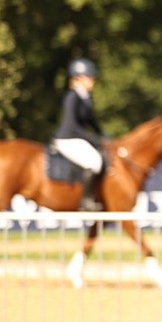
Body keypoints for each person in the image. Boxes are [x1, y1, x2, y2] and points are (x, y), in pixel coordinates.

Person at [52, 58, 106, 211]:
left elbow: (92, 121)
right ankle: (86, 201)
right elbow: (74, 126)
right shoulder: (72, 97)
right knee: (94, 162)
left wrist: (104, 136)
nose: (92, 80)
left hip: (77, 138)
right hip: (67, 139)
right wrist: (96, 140)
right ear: (78, 78)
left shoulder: (85, 97)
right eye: (89, 77)